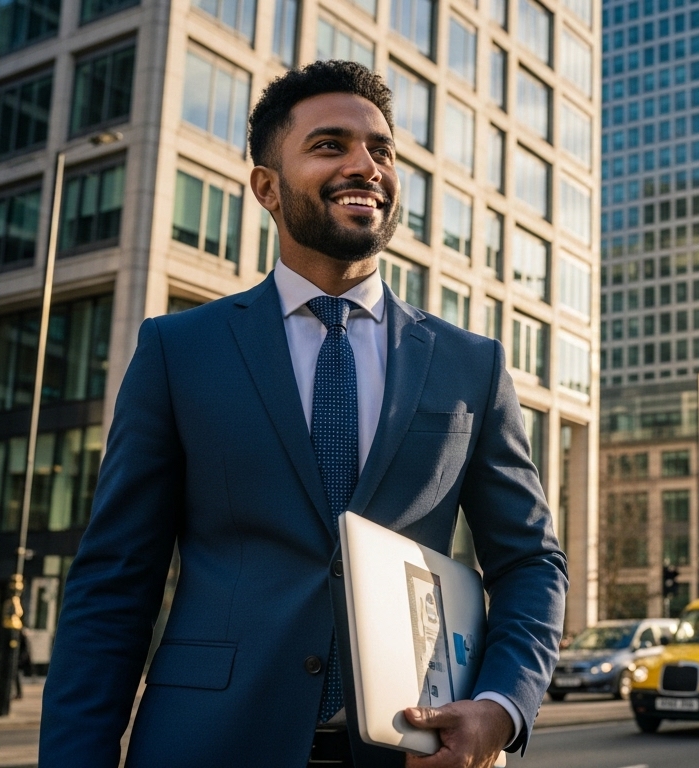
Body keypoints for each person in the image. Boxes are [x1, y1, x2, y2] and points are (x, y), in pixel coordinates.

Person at [39, 60, 567, 768]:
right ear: (267, 186)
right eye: (330, 146)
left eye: (381, 149)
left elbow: (532, 562)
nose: (365, 166)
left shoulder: (473, 363)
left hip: (411, 751)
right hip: (207, 746)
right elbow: (113, 586)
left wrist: (502, 708)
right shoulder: (178, 351)